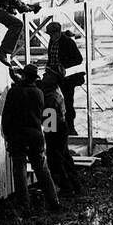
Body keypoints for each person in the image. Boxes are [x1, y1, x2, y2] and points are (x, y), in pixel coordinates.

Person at [1, 63, 62, 214]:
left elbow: (7, 117)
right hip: (36, 135)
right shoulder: (39, 93)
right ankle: (53, 200)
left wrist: (8, 135)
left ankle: (24, 205)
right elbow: (45, 117)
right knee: (42, 169)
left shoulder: (13, 92)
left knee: (19, 170)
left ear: (23, 76)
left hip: (18, 136)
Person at [40, 66, 82, 198]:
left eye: (47, 74)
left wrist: (47, 135)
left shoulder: (52, 96)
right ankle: (75, 185)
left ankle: (66, 187)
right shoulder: (50, 90)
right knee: (64, 157)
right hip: (58, 127)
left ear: (54, 79)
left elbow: (49, 121)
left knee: (56, 158)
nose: (44, 76)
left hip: (55, 128)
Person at [43, 20, 84, 134]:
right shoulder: (52, 41)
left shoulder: (68, 42)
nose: (51, 36)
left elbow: (78, 59)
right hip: (53, 74)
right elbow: (52, 57)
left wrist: (64, 67)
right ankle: (49, 128)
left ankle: (70, 128)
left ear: (58, 32)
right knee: (49, 99)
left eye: (52, 34)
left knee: (67, 102)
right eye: (50, 34)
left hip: (66, 77)